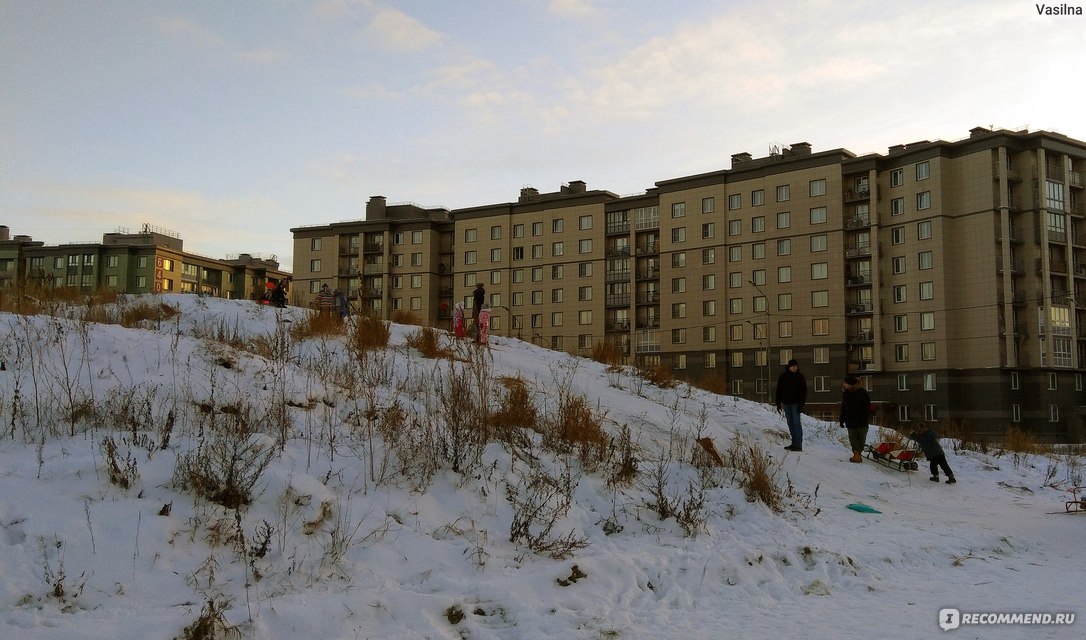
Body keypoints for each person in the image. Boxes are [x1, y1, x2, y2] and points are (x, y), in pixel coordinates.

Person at [775, 359, 807, 451]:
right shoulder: (783, 376)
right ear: (789, 367)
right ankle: (794, 443)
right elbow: (779, 390)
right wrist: (778, 402)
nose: (795, 368)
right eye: (793, 366)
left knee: (797, 423)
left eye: (796, 366)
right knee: (790, 423)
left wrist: (801, 404)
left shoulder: (800, 377)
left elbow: (803, 392)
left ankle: (798, 445)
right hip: (786, 403)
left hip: (796, 404)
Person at [839, 375, 871, 463]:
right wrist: (842, 419)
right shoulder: (846, 394)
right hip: (850, 421)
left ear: (850, 384)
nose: (843, 385)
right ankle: (856, 454)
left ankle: (858, 453)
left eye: (845, 383)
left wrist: (864, 419)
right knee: (853, 438)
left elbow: (867, 408)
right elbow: (844, 407)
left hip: (861, 422)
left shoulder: (862, 393)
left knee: (861, 438)